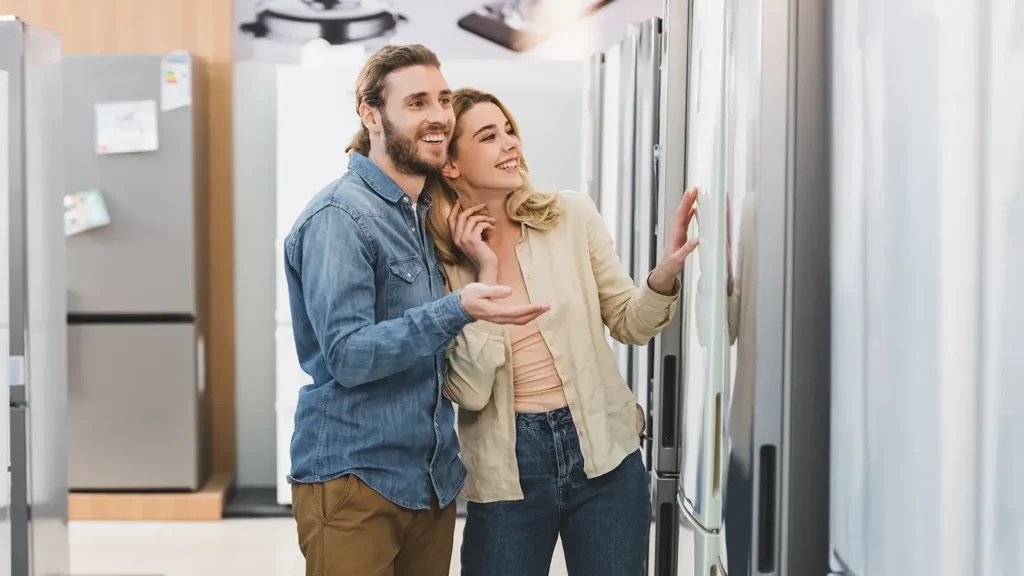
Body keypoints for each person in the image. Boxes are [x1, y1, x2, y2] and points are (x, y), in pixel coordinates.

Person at [283, 46, 550, 576]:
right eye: (416, 102)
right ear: (370, 115)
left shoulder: (425, 215)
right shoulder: (341, 216)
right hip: (356, 480)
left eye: (443, 100)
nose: (438, 116)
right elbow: (348, 356)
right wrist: (456, 309)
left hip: (429, 482)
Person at [424, 87, 699, 576]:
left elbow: (631, 323)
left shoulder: (571, 216)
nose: (510, 142)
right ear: (451, 165)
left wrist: (663, 277)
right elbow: (469, 391)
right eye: (488, 136)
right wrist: (485, 269)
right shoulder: (440, 259)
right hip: (507, 471)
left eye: (509, 130)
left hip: (604, 454)